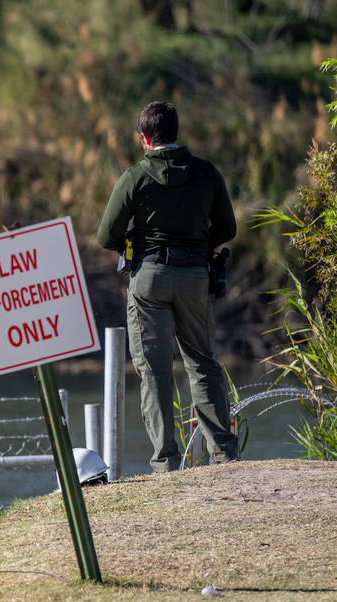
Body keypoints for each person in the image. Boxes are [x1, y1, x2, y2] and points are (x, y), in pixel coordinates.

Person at [97, 101, 238, 472]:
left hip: (149, 280)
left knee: (155, 372)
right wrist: (198, 243)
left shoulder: (134, 178)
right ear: (175, 132)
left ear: (144, 138)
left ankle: (166, 462)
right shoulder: (207, 174)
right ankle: (224, 456)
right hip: (195, 277)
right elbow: (228, 230)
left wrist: (137, 238)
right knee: (202, 365)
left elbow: (105, 236)